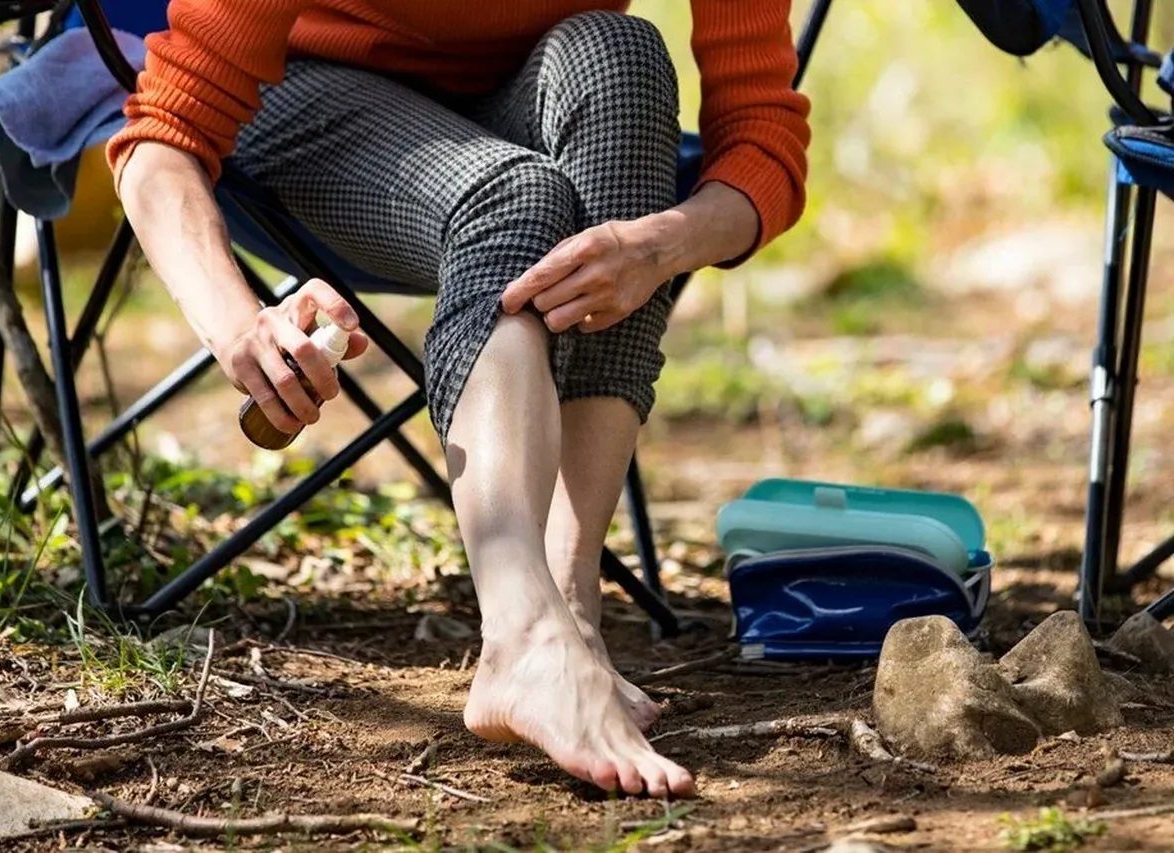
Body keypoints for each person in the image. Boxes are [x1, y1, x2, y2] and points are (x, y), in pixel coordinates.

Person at [108, 0, 809, 799]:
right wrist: (240, 328)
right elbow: (161, 139)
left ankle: (568, 605)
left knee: (622, 56)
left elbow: (764, 145)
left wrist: (657, 244)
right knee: (513, 197)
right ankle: (522, 630)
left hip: (520, 97)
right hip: (305, 100)